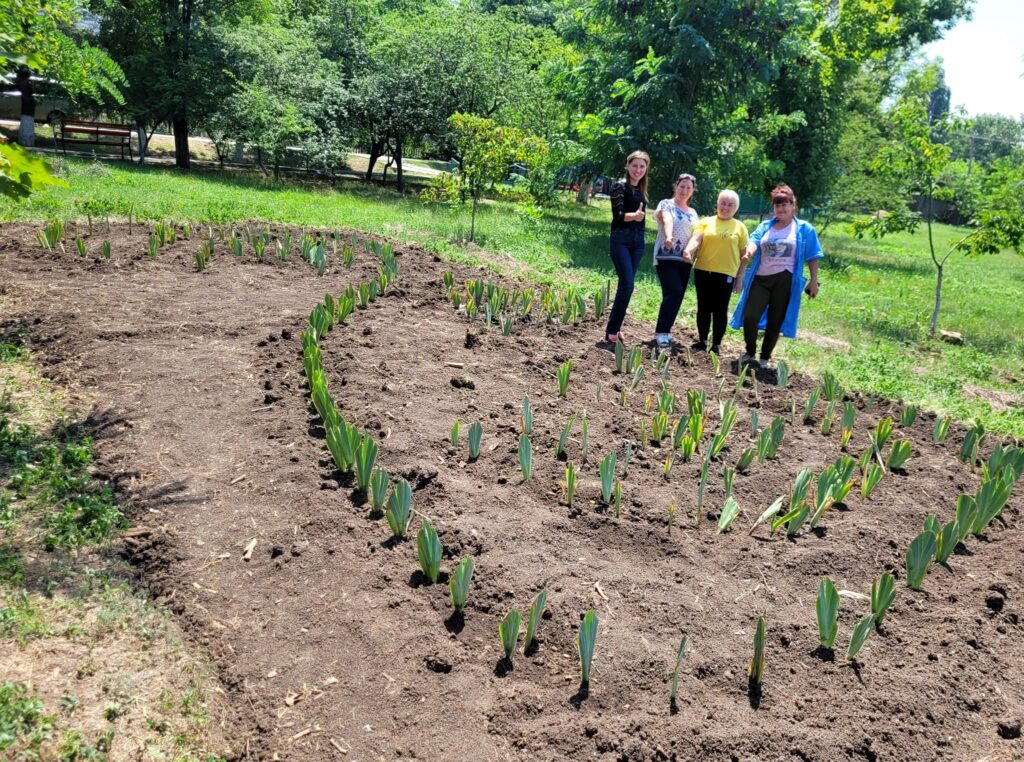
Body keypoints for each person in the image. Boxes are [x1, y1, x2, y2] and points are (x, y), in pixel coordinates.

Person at [731, 184, 822, 369]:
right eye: (777, 205)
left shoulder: (804, 229)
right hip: (761, 279)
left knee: (775, 320)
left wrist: (813, 281)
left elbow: (813, 255)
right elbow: (754, 241)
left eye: (784, 205)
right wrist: (749, 252)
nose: (781, 209)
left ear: (793, 205)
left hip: (785, 280)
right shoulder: (766, 226)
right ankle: (750, 351)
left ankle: (764, 358)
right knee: (750, 316)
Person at [681, 189, 748, 356]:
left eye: (730, 204)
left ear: (736, 207)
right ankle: (702, 340)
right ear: (717, 204)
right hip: (703, 270)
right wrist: (688, 251)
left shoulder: (740, 227)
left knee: (720, 309)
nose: (725, 207)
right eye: (722, 203)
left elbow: (744, 256)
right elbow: (696, 239)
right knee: (703, 307)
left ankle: (716, 344)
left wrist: (740, 277)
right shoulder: (706, 222)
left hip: (726, 274)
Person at [604, 150, 650, 344]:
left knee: (626, 286)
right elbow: (618, 216)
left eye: (642, 166)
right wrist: (634, 216)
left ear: (646, 168)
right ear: (628, 166)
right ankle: (611, 331)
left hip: (638, 242)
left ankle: (614, 328)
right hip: (620, 240)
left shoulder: (642, 189)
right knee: (628, 285)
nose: (638, 170)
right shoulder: (619, 187)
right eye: (635, 165)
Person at [652, 173, 699, 348]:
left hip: (685, 260)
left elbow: (697, 235)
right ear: (675, 186)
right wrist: (669, 236)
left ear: (693, 191)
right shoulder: (666, 204)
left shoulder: (693, 213)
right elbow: (667, 220)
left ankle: (666, 331)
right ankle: (661, 332)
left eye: (688, 188)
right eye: (682, 186)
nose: (684, 190)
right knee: (674, 291)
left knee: (676, 296)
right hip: (666, 255)